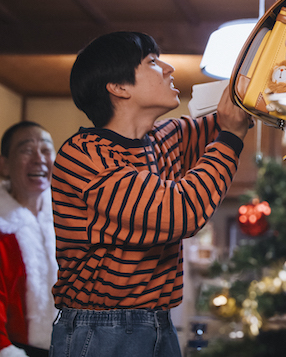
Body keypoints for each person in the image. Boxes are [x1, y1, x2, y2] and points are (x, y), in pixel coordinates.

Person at [49, 32, 252, 357]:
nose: (170, 68)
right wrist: (230, 138)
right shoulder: (85, 156)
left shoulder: (161, 138)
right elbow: (178, 212)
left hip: (158, 323)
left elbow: (235, 113)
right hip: (100, 331)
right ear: (119, 87)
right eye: (153, 62)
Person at [0, 121, 58, 357]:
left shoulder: (71, 217)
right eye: (26, 150)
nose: (39, 159)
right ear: (4, 165)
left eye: (46, 150)